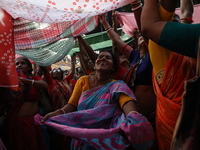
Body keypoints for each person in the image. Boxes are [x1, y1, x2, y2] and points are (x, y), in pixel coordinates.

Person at [35, 50, 154, 150]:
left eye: (108, 58)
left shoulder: (117, 85)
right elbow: (72, 105)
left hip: (105, 138)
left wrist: (133, 116)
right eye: (100, 57)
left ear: (113, 67)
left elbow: (126, 101)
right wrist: (58, 113)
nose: (102, 59)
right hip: (83, 135)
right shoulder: (83, 81)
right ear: (95, 63)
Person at [141, 0, 197, 149]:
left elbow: (185, 12)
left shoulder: (192, 40)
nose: (173, 27)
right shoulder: (158, 48)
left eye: (176, 23)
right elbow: (185, 12)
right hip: (173, 126)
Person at [99, 13, 156, 118]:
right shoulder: (135, 56)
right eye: (139, 36)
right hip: (129, 114)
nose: (142, 37)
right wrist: (105, 23)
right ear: (137, 44)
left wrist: (135, 5)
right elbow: (117, 40)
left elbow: (146, 31)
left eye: (144, 35)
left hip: (151, 115)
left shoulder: (154, 57)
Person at [5, 56, 48, 150]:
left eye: (22, 63)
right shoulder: (11, 80)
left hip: (34, 121)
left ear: (29, 67)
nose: (19, 65)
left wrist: (24, 80)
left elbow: (44, 86)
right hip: (17, 122)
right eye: (17, 64)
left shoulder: (34, 78)